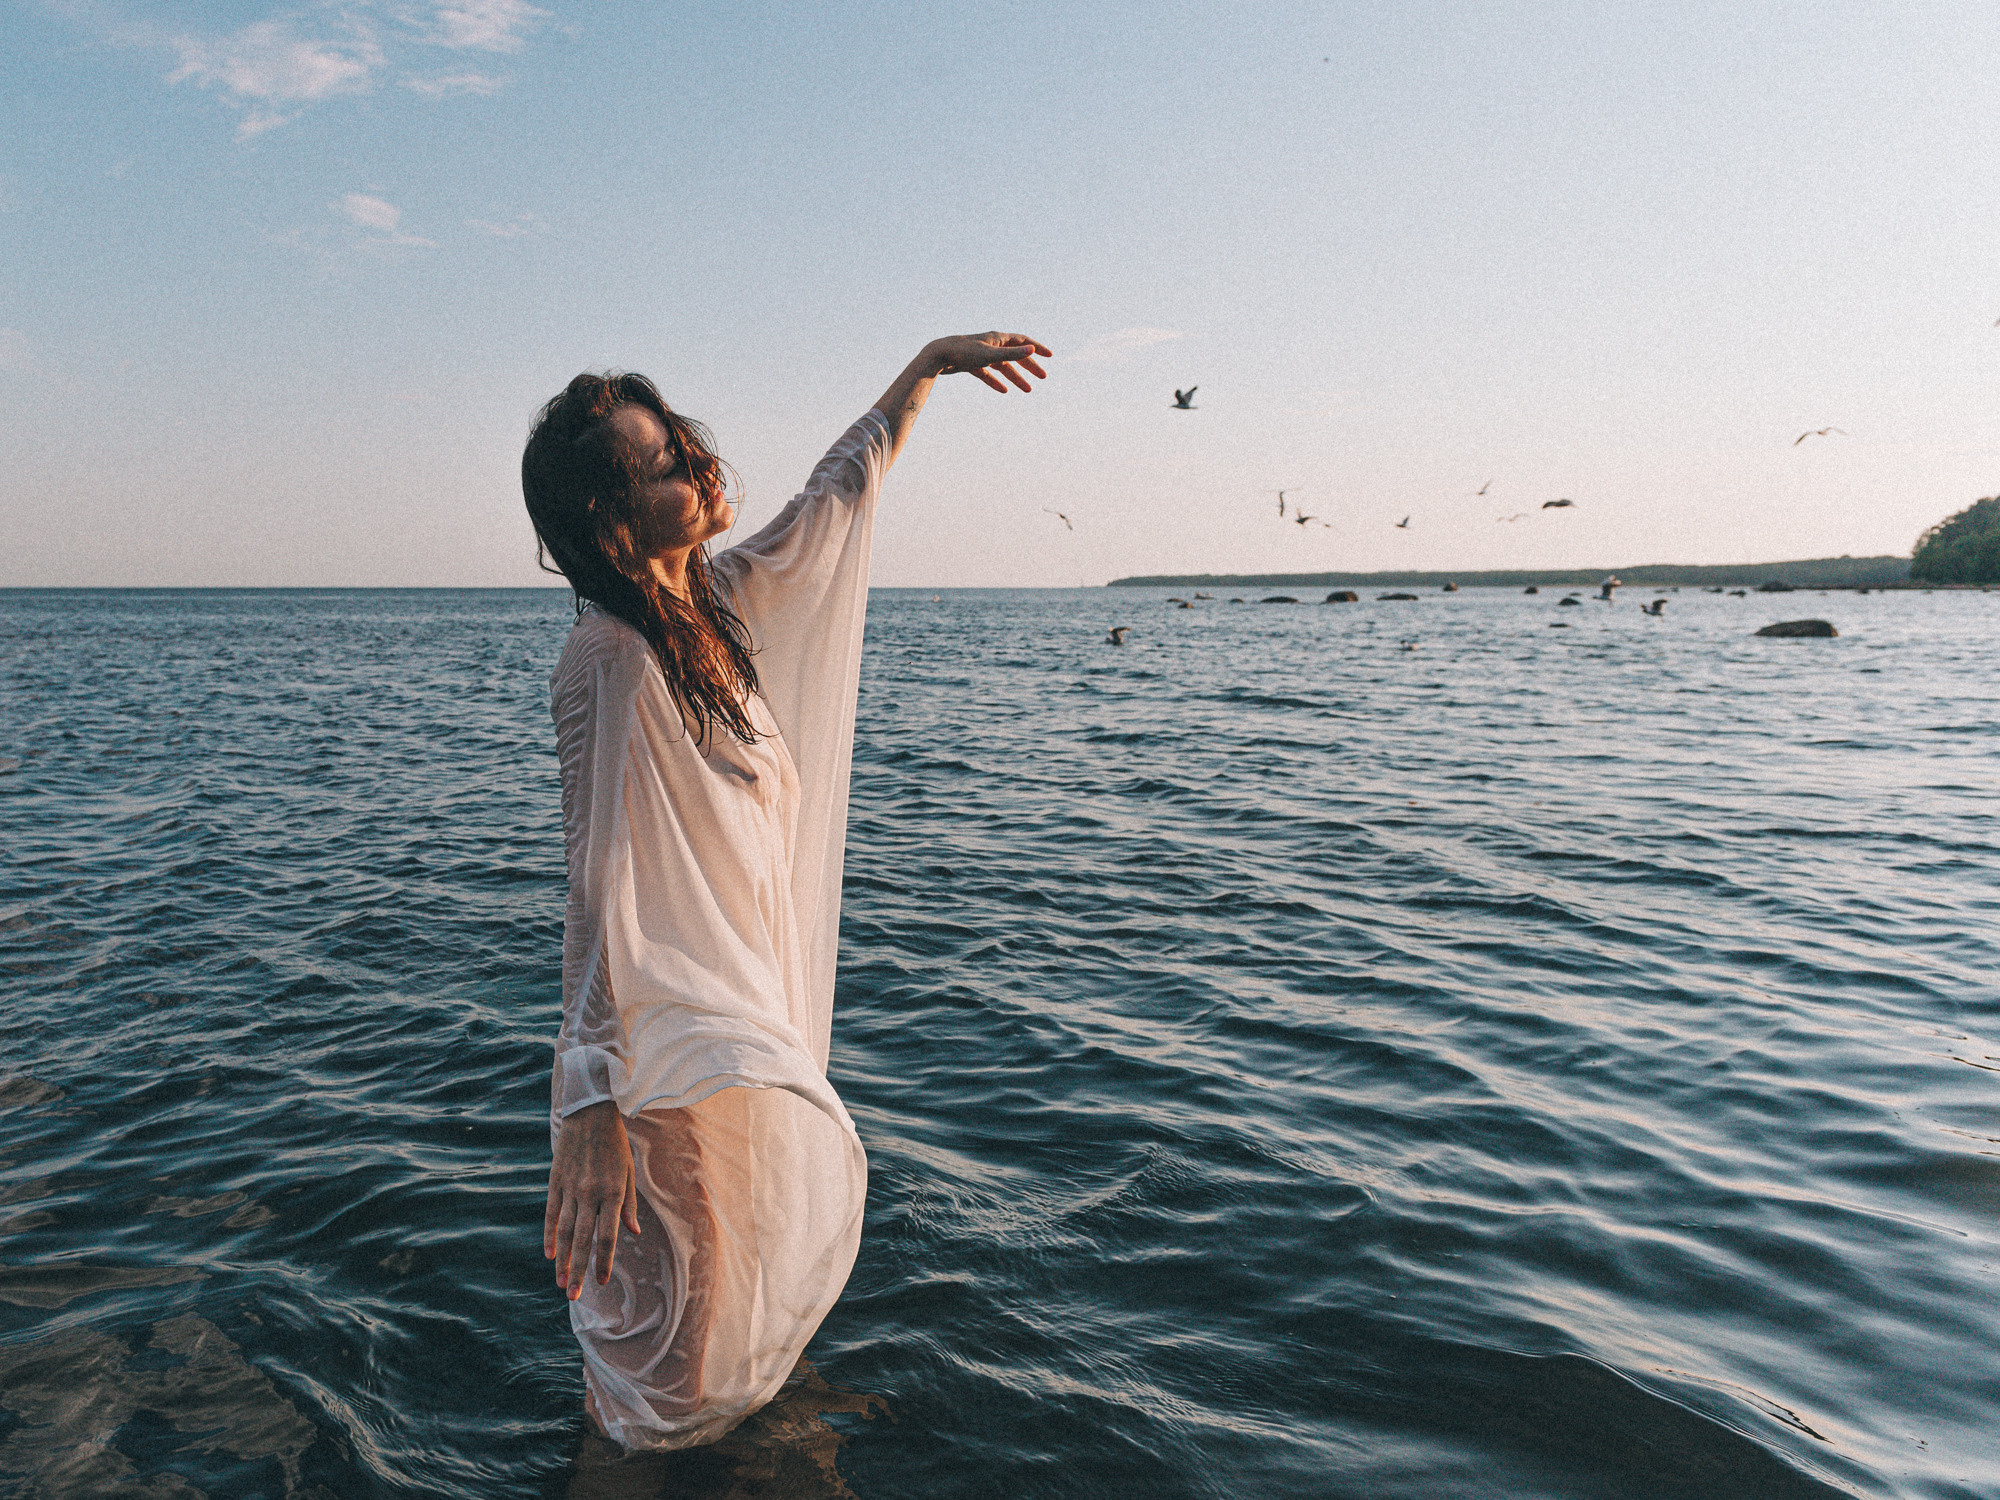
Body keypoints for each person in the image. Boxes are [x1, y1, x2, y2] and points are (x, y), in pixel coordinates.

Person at [521, 332, 1051, 1451]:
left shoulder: (712, 606)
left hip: (728, 1031)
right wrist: (587, 1100)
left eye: (680, 445)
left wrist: (922, 372)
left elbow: (836, 497)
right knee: (668, 1374)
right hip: (666, 1058)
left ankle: (749, 1455)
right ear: (610, 521)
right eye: (661, 465)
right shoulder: (613, 656)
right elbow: (597, 879)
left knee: (717, 1341)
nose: (697, 469)